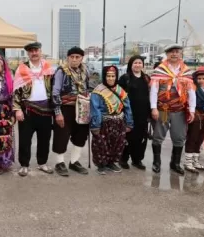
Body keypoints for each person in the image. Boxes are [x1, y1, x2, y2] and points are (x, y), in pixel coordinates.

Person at [149, 43, 196, 175]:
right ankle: (156, 162)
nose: (174, 54)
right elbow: (154, 90)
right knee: (158, 136)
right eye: (171, 52)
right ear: (167, 54)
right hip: (163, 110)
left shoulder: (186, 71)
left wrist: (192, 109)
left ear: (180, 54)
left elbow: (191, 92)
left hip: (179, 111)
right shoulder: (160, 70)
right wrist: (153, 108)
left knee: (179, 137)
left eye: (177, 51)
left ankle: (175, 163)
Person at [12, 41, 55, 176]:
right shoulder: (21, 69)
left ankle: (42, 163)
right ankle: (24, 164)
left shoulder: (49, 68)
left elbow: (55, 89)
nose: (34, 53)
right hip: (27, 110)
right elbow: (15, 91)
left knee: (44, 138)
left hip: (46, 110)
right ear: (28, 53)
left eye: (36, 50)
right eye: (31, 51)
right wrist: (17, 109)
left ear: (40, 51)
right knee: (24, 139)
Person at [51, 46, 91, 176]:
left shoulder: (86, 71)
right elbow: (55, 93)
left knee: (80, 135)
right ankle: (60, 163)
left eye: (77, 57)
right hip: (65, 108)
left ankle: (74, 162)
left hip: (82, 107)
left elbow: (88, 88)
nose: (74, 59)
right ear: (68, 58)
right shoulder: (61, 71)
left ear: (81, 58)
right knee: (62, 135)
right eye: (72, 57)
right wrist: (58, 113)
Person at [89, 65, 133, 174]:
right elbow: (96, 109)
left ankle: (112, 163)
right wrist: (96, 125)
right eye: (108, 76)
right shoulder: (98, 91)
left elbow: (127, 107)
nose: (111, 78)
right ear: (104, 76)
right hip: (104, 123)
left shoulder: (120, 90)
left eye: (113, 76)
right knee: (101, 145)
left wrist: (129, 123)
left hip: (119, 122)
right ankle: (101, 165)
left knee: (118, 144)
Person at [117, 54, 151, 170]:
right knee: (127, 136)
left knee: (140, 138)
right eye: (135, 63)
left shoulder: (146, 78)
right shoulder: (125, 78)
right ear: (131, 65)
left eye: (139, 63)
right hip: (128, 113)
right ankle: (123, 158)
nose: (137, 65)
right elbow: (118, 96)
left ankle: (137, 160)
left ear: (143, 65)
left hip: (143, 113)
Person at [184, 67, 204, 173]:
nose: (201, 80)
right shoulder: (194, 88)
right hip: (196, 116)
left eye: (203, 78)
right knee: (192, 137)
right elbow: (199, 104)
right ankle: (188, 162)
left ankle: (195, 161)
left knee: (200, 138)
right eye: (199, 78)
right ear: (195, 79)